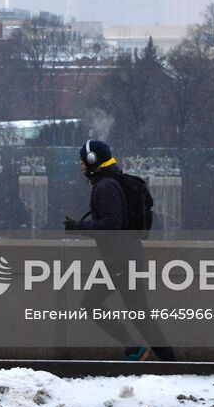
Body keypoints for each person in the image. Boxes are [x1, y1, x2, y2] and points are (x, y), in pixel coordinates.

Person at [64, 138, 177, 362]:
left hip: (120, 259)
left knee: (96, 304)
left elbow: (111, 224)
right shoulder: (109, 181)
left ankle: (146, 353)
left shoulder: (105, 186)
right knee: (137, 312)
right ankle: (161, 358)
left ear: (92, 159)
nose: (80, 165)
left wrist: (79, 227)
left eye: (82, 160)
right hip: (124, 256)